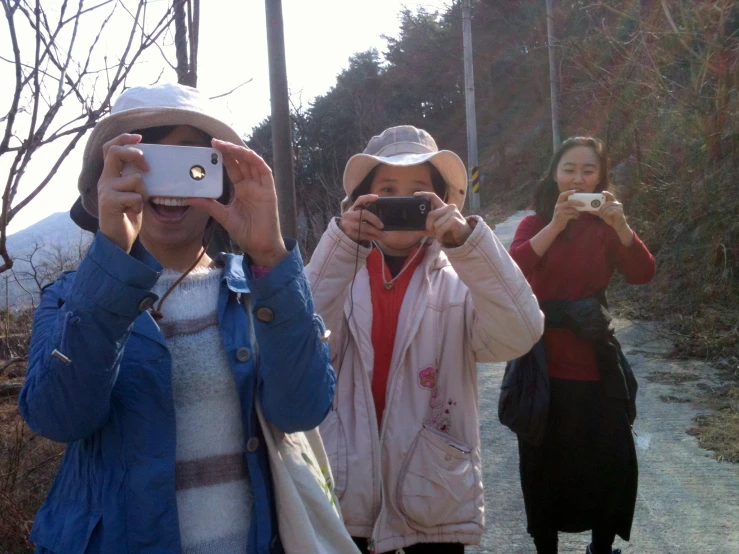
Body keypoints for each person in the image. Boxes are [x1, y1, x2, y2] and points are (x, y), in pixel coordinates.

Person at [18, 83, 356, 554]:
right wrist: (113, 259)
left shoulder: (258, 288)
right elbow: (58, 417)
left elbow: (302, 409)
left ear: (221, 179)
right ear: (107, 180)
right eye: (147, 162)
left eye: (190, 163)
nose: (170, 185)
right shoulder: (71, 297)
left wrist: (270, 255)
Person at [306, 125, 544, 553]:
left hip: (433, 500)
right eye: (388, 189)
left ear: (441, 204)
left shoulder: (460, 285)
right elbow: (298, 344)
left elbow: (521, 333)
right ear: (362, 198)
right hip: (345, 498)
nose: (402, 202)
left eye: (417, 193)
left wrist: (467, 244)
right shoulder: (336, 274)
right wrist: (340, 244)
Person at [508, 137, 656, 554]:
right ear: (555, 174)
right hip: (541, 362)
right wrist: (555, 225)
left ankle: (602, 546)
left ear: (602, 178)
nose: (577, 177)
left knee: (611, 460)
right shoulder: (535, 223)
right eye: (569, 169)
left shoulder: (608, 227)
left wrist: (622, 227)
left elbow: (643, 273)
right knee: (542, 464)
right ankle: (547, 548)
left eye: (588, 170)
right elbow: (512, 268)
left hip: (596, 357)